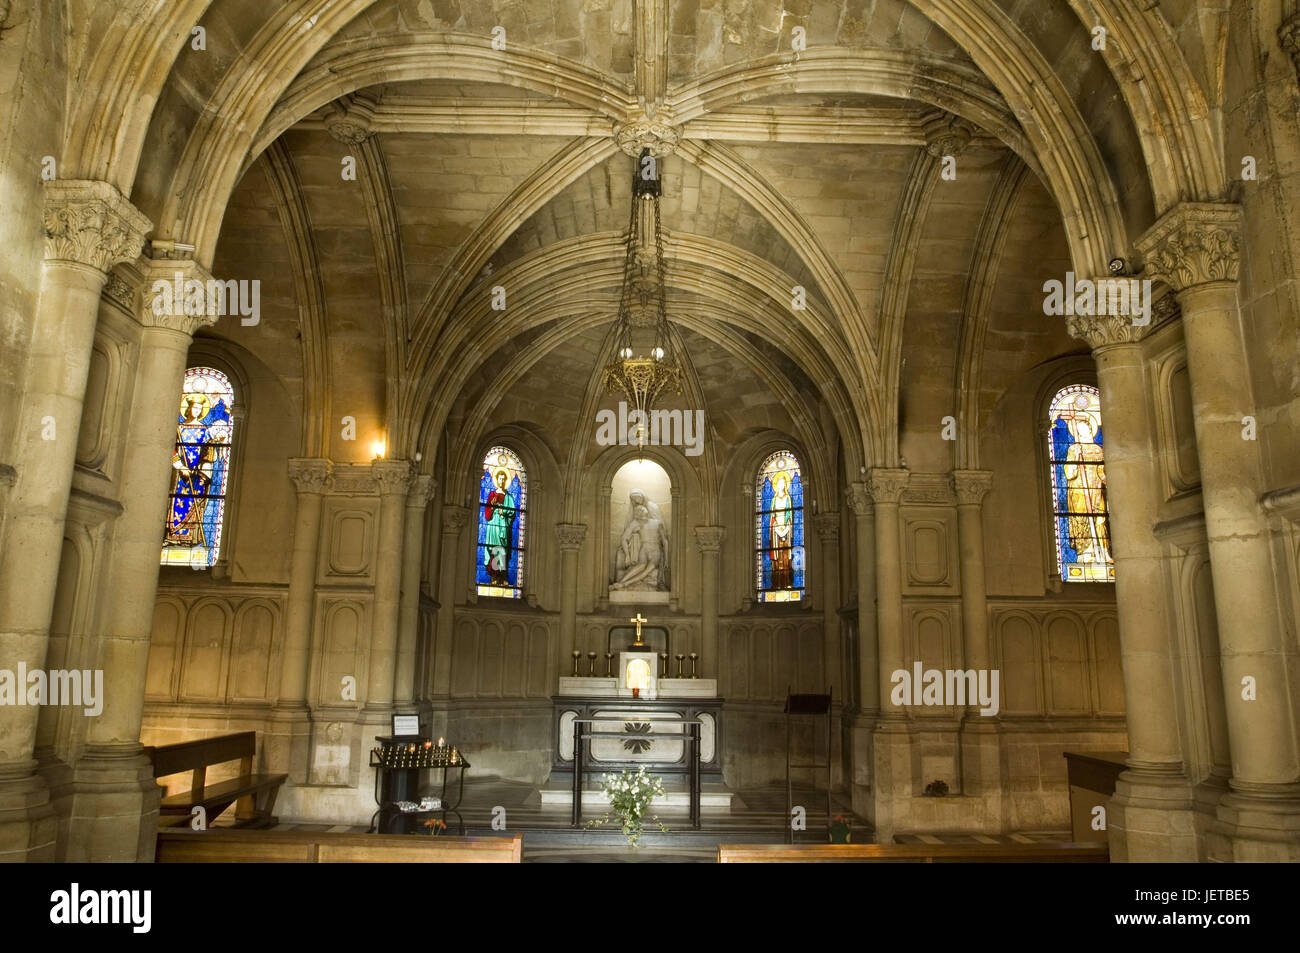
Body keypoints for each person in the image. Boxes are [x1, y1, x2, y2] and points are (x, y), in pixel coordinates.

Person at [482, 468, 516, 586]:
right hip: (493, 526)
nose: (501, 481)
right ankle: (493, 576)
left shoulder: (509, 497)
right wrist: (492, 507)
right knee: (493, 548)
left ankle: (501, 576)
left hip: (503, 526)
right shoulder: (492, 495)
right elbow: (487, 513)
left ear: (506, 480)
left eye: (503, 479)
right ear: (496, 480)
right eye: (499, 479)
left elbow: (512, 513)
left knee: (501, 549)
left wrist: (504, 512)